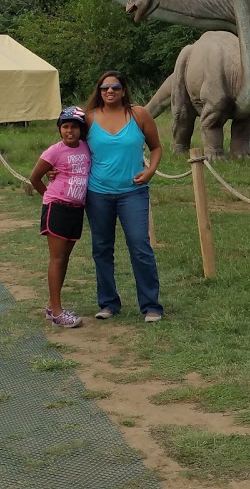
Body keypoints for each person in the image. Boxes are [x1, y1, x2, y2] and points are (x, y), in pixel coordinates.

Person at [83, 71, 165, 323]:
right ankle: (108, 303)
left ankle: (151, 305)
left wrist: (150, 170)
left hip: (133, 193)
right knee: (102, 248)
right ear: (99, 91)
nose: (110, 91)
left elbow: (156, 147)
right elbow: (70, 147)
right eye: (105, 88)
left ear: (124, 90)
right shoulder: (88, 118)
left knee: (140, 246)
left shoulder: (138, 115)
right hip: (97, 193)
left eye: (115, 87)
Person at [28, 106, 91, 329]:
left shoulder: (86, 147)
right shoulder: (54, 151)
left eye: (74, 127)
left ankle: (51, 304)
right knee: (57, 258)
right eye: (65, 127)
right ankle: (57, 311)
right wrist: (49, 195)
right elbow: (34, 177)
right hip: (57, 207)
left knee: (65, 258)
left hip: (76, 208)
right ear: (59, 130)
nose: (69, 131)